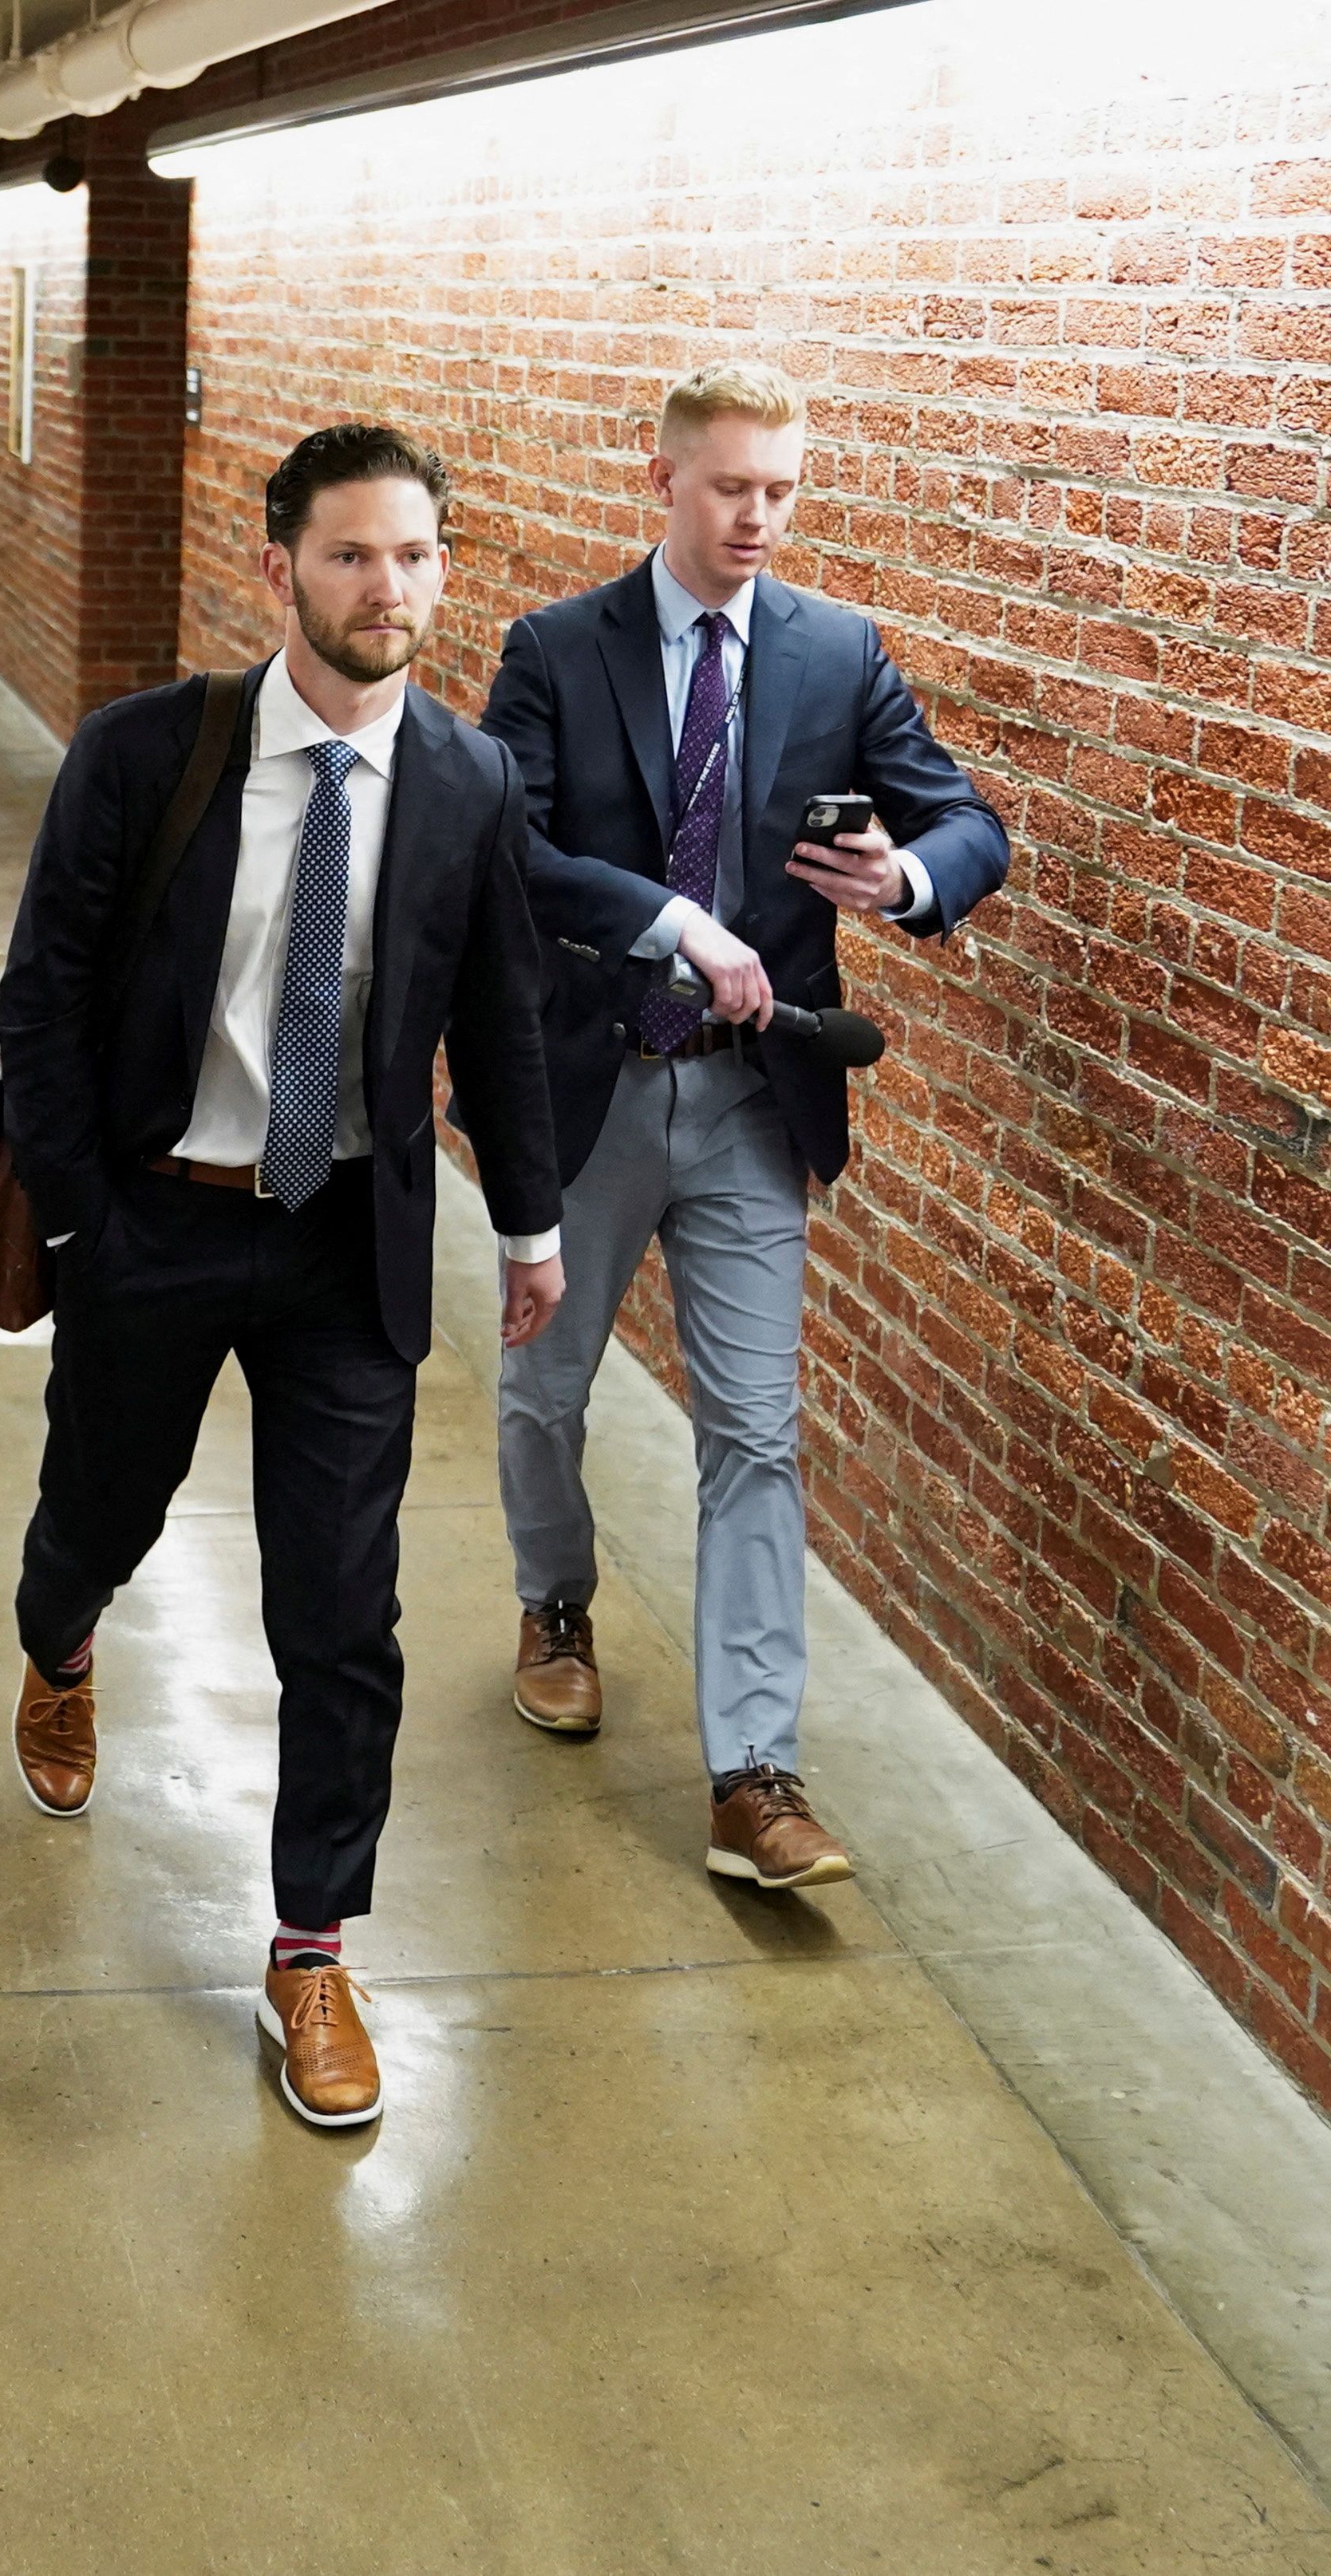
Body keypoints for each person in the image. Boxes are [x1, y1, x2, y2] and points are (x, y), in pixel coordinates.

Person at [0, 423, 565, 2133]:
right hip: (156, 1218)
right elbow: (43, 993)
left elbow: (499, 1017)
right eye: (345, 556)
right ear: (277, 570)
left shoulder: (467, 783)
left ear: (443, 572)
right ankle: (60, 1640)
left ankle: (310, 1948)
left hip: (341, 1244)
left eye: (410, 557)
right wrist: (88, 1214)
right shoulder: (145, 754)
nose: (382, 589)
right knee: (100, 1512)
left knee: (341, 1609)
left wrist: (524, 1222)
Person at [481, 362, 1008, 1888]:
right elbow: (504, 841)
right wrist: (665, 919)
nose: (759, 516)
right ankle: (556, 1597)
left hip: (750, 1095)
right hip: (585, 1083)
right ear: (663, 481)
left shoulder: (841, 652)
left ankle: (753, 1772)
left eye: (782, 487)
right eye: (730, 487)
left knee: (757, 1436)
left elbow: (968, 822)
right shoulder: (557, 652)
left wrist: (901, 884)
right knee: (544, 1387)